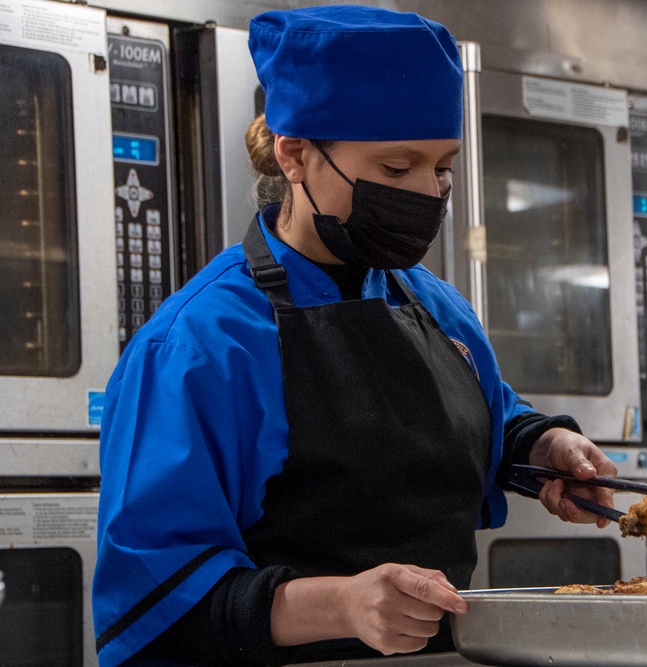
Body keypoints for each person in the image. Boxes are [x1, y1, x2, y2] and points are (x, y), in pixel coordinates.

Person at [92, 5, 618, 666]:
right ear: (296, 154)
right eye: (398, 170)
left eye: (443, 168)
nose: (428, 193)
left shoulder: (437, 308)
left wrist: (543, 444)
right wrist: (341, 604)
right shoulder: (199, 346)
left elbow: (481, 418)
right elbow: (154, 606)